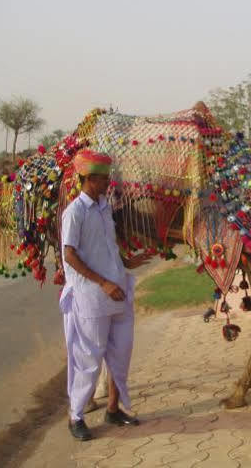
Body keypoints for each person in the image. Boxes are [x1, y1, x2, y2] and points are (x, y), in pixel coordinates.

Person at [60, 149, 153, 441]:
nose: (106, 183)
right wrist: (103, 283)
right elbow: (70, 255)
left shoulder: (104, 208)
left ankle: (113, 409)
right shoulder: (74, 212)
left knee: (121, 354)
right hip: (92, 296)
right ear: (86, 178)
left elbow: (106, 249)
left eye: (106, 178)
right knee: (88, 359)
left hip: (118, 292)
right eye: (101, 179)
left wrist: (127, 262)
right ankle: (75, 416)